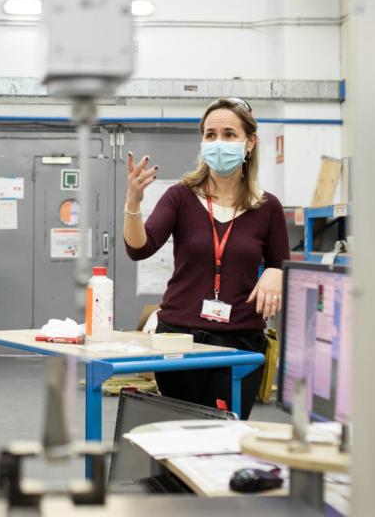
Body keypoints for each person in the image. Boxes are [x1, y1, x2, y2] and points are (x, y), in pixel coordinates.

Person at [123, 97, 289, 420]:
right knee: (179, 433)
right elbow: (139, 248)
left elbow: (281, 266)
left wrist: (276, 272)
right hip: (179, 338)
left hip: (240, 344)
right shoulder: (180, 196)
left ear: (249, 143)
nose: (218, 143)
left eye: (229, 134)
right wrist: (133, 202)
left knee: (225, 435)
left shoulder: (268, 207)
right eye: (210, 135)